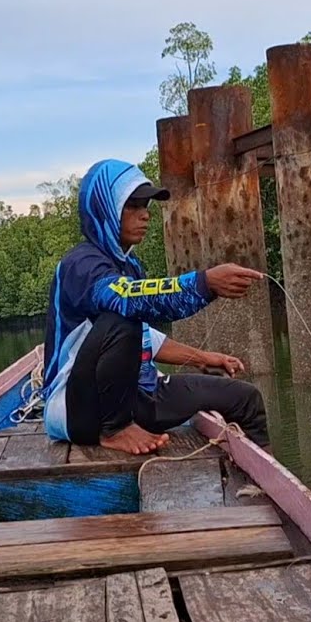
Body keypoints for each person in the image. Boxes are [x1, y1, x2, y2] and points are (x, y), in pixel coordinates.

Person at [40, 158, 270, 455]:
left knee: (246, 399)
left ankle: (272, 491)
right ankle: (115, 430)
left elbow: (144, 336)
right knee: (124, 313)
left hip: (135, 396)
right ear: (103, 209)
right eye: (132, 206)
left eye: (146, 206)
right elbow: (127, 303)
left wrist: (203, 358)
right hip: (77, 411)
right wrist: (204, 283)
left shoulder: (130, 266)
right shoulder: (80, 265)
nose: (144, 215)